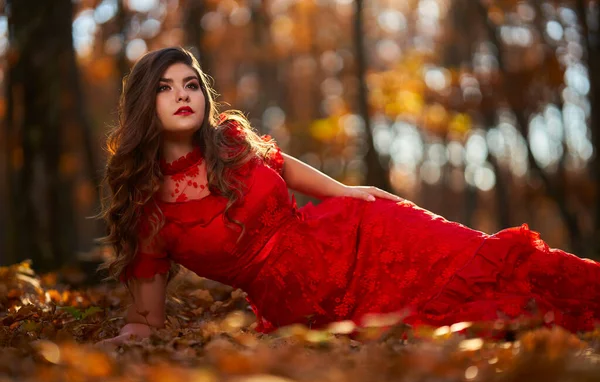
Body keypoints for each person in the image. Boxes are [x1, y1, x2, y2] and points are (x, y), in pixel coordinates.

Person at [98, 47, 600, 345]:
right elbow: (147, 317)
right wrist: (134, 334)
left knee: (473, 254)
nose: (183, 94)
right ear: (146, 103)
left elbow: (285, 167)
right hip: (304, 303)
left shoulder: (229, 141)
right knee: (453, 321)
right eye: (166, 88)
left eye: (191, 84)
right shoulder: (150, 211)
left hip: (354, 233)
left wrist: (346, 192)